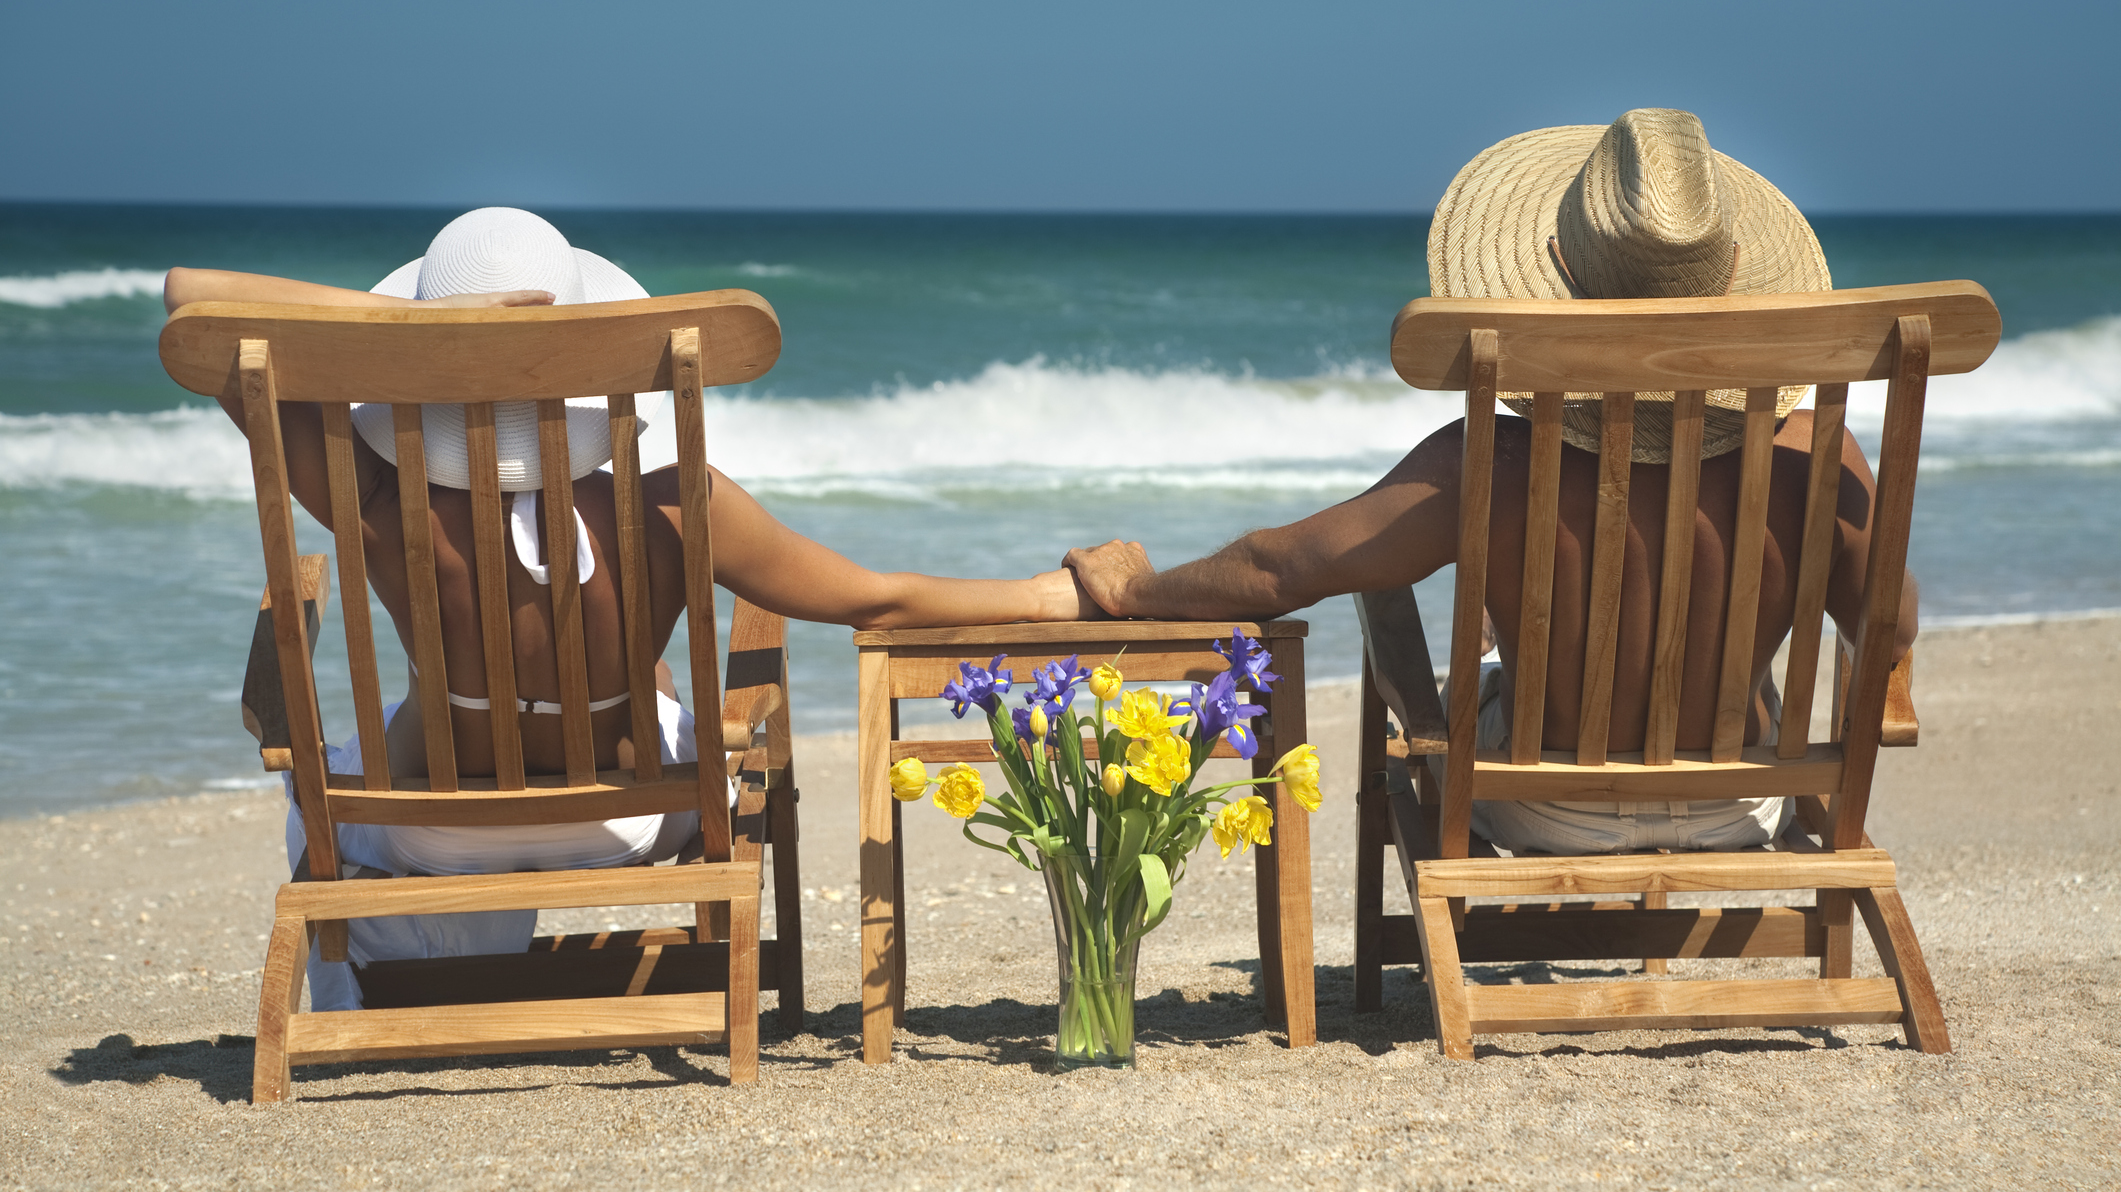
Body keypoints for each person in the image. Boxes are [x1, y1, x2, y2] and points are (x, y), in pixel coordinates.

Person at [166, 206, 1092, 1007]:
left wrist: (415, 333)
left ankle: (366, 983)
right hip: (633, 818)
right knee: (652, 686)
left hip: (427, 829)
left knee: (320, 783)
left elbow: (189, 298)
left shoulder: (370, 502)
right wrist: (1051, 596)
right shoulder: (675, 504)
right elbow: (872, 600)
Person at [1065, 108, 1919, 857]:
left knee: (1448, 648)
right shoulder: (1818, 455)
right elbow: (1891, 621)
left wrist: (1134, 585)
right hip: (1742, 804)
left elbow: (1276, 572)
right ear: (1734, 272)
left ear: (1554, 265)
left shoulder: (1491, 464)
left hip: (1540, 809)